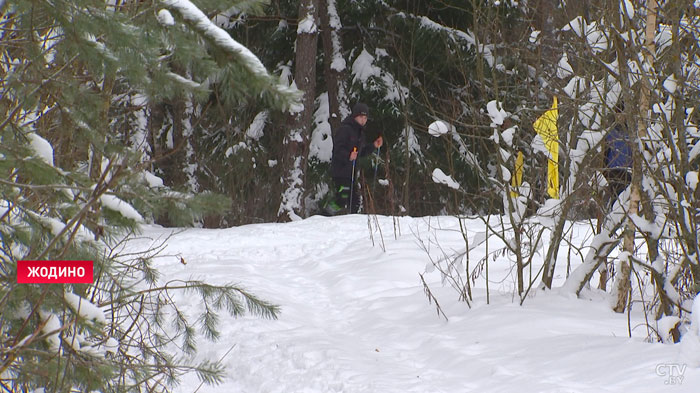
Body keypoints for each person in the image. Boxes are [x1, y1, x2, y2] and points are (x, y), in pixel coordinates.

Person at [325, 103, 383, 215]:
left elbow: (360, 152)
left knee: (355, 201)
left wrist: (374, 146)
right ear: (355, 116)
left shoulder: (360, 133)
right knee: (342, 199)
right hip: (341, 172)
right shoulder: (345, 129)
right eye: (361, 117)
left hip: (351, 173)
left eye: (365, 118)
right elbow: (338, 149)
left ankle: (352, 222)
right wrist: (348, 156)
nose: (363, 120)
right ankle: (323, 216)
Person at [603, 116, 633, 208]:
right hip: (615, 169)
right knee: (619, 195)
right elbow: (606, 152)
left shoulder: (630, 133)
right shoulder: (611, 133)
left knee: (621, 195)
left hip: (625, 170)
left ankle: (617, 213)